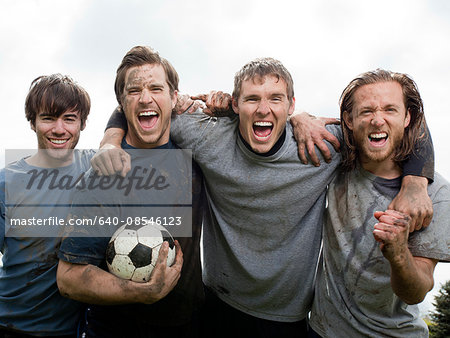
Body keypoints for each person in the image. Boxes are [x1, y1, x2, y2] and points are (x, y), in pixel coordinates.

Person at [100, 58, 434, 337]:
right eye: (251, 99)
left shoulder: (321, 144)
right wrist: (110, 142)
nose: (263, 109)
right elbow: (137, 107)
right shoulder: (205, 134)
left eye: (276, 99)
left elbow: (396, 123)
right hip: (218, 304)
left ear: (291, 106)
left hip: (288, 319)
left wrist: (416, 181)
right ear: (234, 104)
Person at [56, 46, 206, 338]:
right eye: (134, 91)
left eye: (155, 88)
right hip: (115, 329)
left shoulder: (197, 157)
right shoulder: (104, 174)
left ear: (174, 98)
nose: (145, 98)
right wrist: (141, 292)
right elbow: (69, 278)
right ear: (121, 104)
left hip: (190, 325)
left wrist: (301, 118)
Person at [308, 69, 450, 337]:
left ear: (408, 118)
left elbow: (418, 291)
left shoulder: (437, 194)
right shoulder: (337, 163)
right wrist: (301, 119)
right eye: (366, 111)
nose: (377, 120)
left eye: (390, 110)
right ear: (348, 120)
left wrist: (398, 254)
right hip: (322, 330)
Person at [0, 74, 92, 337]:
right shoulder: (6, 182)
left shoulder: (95, 168)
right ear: (33, 122)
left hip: (72, 330)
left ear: (82, 124)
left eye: (70, 119)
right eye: (48, 118)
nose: (59, 129)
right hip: (11, 325)